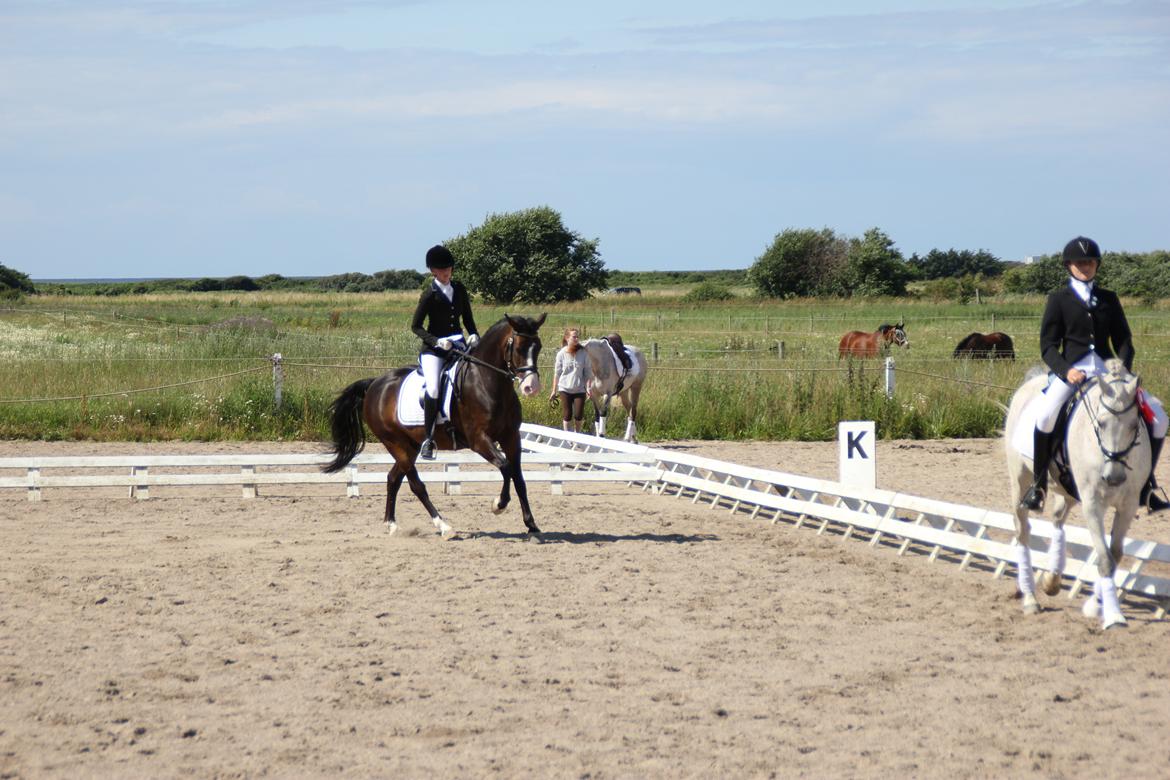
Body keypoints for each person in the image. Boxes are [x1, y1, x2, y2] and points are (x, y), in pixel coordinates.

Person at [1019, 236, 1169, 512]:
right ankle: (1038, 485)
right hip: (1072, 372)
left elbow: (1124, 340)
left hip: (1109, 373)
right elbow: (1048, 346)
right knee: (1046, 415)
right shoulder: (1058, 299)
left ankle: (1146, 486)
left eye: (1089, 262)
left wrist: (1122, 367)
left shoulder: (1109, 299)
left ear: (1096, 265)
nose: (1085, 267)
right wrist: (1066, 371)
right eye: (1079, 263)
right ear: (1069, 266)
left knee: (1159, 418)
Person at [410, 244, 480, 460]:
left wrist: (475, 334)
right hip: (434, 350)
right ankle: (428, 439)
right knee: (432, 388)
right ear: (433, 271)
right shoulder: (429, 295)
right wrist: (437, 342)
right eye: (441, 269)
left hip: (458, 345)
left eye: (448, 267)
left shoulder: (459, 289)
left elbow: (467, 319)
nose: (447, 271)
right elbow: (416, 326)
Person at [549, 326, 591, 432]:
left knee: (578, 415)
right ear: (567, 338)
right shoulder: (561, 354)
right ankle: (567, 438)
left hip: (579, 389)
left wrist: (588, 388)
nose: (576, 339)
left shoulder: (583, 353)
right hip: (565, 389)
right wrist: (553, 391)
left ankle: (577, 437)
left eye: (577, 337)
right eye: (574, 337)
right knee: (567, 415)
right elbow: (557, 373)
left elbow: (587, 373)